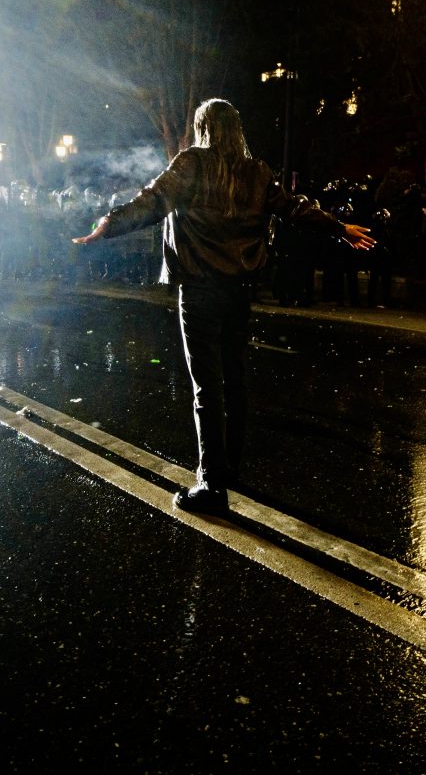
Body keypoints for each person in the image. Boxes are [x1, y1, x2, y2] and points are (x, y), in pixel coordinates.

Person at [71, 98, 375, 517]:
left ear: (203, 127)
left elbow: (152, 200)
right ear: (237, 129)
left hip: (198, 286)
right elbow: (293, 207)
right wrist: (339, 227)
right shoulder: (256, 171)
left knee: (206, 386)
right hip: (238, 288)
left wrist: (108, 224)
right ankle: (228, 468)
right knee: (234, 379)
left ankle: (211, 484)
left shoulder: (192, 163)